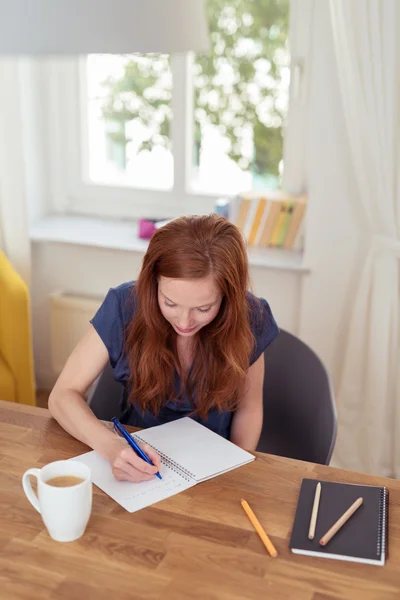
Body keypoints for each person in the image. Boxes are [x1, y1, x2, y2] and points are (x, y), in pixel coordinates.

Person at [49, 214, 279, 483]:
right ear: (153, 282)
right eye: (170, 303)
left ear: (230, 297)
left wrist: (236, 470)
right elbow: (62, 395)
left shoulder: (251, 317)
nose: (184, 322)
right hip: (138, 463)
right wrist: (111, 446)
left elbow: (249, 409)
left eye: (203, 309)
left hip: (212, 468)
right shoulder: (123, 306)